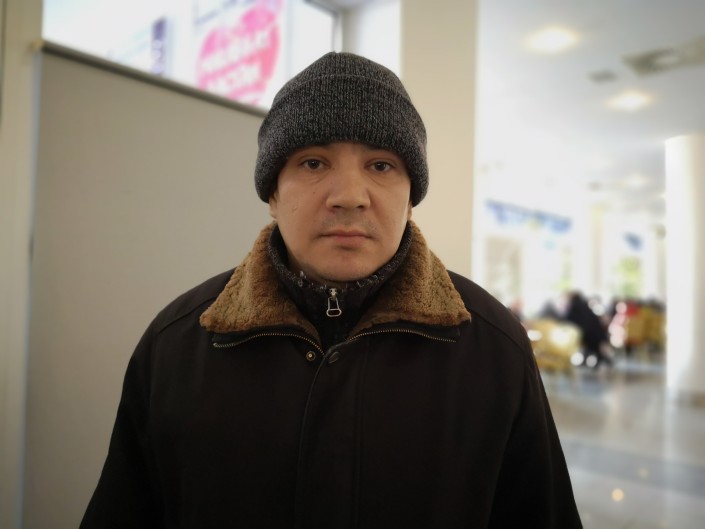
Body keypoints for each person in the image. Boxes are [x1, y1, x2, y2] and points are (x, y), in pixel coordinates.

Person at [80, 52, 582, 529]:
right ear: (273, 193)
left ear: (411, 197)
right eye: (314, 163)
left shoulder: (491, 347)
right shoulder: (176, 345)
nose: (349, 197)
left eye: (381, 165)